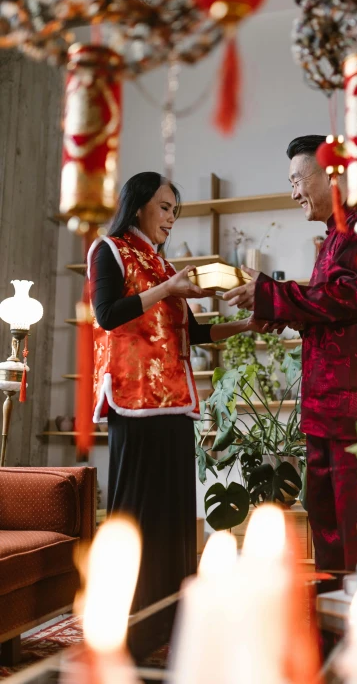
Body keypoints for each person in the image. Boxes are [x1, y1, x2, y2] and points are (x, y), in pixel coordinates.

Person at [224, 135, 357, 573]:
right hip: (327, 408)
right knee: (327, 527)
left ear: (333, 175)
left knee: (356, 530)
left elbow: (348, 296)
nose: (293, 193)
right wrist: (273, 300)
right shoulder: (333, 239)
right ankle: (330, 620)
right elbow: (325, 307)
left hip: (355, 409)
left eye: (298, 180)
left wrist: (272, 295)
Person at [88, 171, 264, 610]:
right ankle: (127, 612)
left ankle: (168, 609)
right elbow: (108, 315)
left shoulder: (163, 264)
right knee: (137, 510)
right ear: (139, 204)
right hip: (133, 398)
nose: (170, 219)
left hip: (176, 399)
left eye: (175, 212)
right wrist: (169, 288)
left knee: (173, 512)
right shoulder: (108, 250)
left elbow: (194, 332)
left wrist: (247, 324)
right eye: (164, 208)